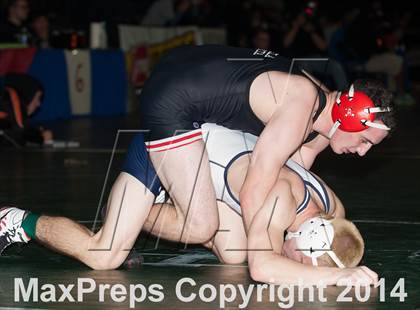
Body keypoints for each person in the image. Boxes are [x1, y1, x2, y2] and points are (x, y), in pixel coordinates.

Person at [0, 124, 376, 285]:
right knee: (104, 256)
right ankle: (16, 219)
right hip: (169, 148)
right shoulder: (281, 200)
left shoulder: (332, 208)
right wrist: (334, 276)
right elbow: (264, 268)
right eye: (300, 259)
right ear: (310, 237)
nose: (291, 260)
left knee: (233, 252)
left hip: (202, 164)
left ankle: (134, 214)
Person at [136, 44, 394, 273]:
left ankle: (176, 191)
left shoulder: (320, 125)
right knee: (202, 226)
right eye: (365, 141)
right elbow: (254, 191)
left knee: (234, 254)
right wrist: (270, 251)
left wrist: (280, 234)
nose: (363, 152)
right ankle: (136, 208)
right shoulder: (302, 107)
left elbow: (289, 173)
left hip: (201, 91)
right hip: (177, 94)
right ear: (349, 118)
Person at [0, 73, 53, 146]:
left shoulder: (6, 98)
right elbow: (20, 131)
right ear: (29, 95)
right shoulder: (11, 98)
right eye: (37, 98)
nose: (38, 104)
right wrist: (41, 137)